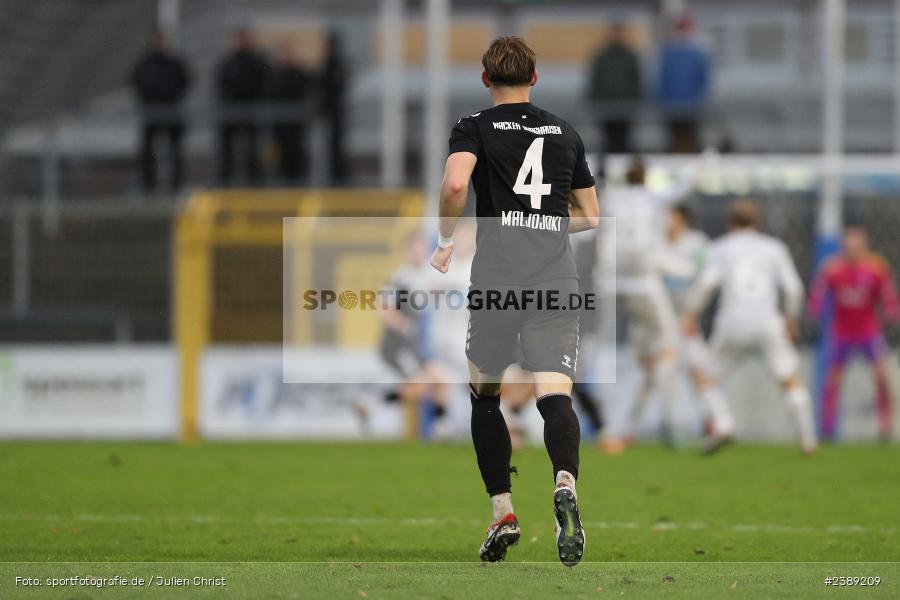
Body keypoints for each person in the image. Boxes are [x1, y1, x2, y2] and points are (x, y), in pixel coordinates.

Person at [429, 37, 599, 567]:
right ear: (536, 78)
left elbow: (457, 183)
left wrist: (445, 239)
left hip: (499, 280)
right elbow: (591, 216)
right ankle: (564, 483)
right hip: (555, 279)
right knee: (555, 398)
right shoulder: (565, 131)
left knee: (485, 395)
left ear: (485, 79)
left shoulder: (475, 124)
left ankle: (503, 510)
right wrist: (544, 225)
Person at [683, 201, 817, 454]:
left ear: (730, 223)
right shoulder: (773, 248)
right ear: (757, 223)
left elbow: (706, 284)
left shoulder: (721, 248)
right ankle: (808, 439)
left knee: (704, 377)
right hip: (767, 322)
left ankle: (723, 423)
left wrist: (690, 315)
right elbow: (794, 289)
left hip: (732, 322)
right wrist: (790, 319)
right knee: (789, 380)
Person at [599, 157, 696, 451]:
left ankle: (621, 428)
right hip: (645, 285)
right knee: (670, 348)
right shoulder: (653, 199)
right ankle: (670, 423)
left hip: (614, 284)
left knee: (640, 362)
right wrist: (709, 156)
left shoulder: (612, 197)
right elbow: (684, 185)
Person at [808, 227, 898, 442]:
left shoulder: (876, 268)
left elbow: (889, 295)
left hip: (868, 331)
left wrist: (891, 312)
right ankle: (827, 429)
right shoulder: (833, 268)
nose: (853, 251)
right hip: (842, 332)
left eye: (857, 247)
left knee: (881, 377)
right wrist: (815, 309)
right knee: (832, 380)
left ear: (864, 247)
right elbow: (818, 293)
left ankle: (886, 426)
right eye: (849, 247)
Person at [661, 203, 735, 452]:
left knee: (696, 369)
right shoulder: (656, 241)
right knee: (663, 372)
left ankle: (718, 421)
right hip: (660, 319)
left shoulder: (698, 243)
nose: (665, 220)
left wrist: (692, 314)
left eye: (669, 215)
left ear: (681, 218)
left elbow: (704, 278)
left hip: (684, 320)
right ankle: (705, 422)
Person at [378, 231, 452, 439]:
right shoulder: (401, 277)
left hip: (420, 345)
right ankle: (373, 404)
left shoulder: (428, 274)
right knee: (422, 384)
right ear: (407, 252)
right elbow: (384, 307)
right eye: (415, 249)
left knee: (441, 379)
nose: (420, 253)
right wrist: (403, 326)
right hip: (402, 346)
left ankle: (441, 425)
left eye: (422, 248)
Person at [130, 30, 192, 193]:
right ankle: (149, 186)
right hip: (151, 113)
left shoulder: (174, 63)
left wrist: (171, 95)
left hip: (171, 113)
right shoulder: (145, 63)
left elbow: (186, 81)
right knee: (148, 151)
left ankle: (175, 185)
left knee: (175, 151)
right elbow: (135, 82)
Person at [215, 28, 269, 185]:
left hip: (251, 111)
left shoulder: (257, 62)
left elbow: (263, 84)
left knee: (253, 149)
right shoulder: (228, 62)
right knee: (227, 150)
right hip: (231, 112)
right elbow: (222, 84)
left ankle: (255, 184)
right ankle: (224, 183)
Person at [586, 23, 642, 154]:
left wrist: (636, 100)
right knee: (607, 140)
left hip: (625, 106)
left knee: (624, 140)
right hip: (605, 106)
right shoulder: (601, 56)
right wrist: (594, 100)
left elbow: (636, 80)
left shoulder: (630, 56)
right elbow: (596, 79)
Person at [657, 15, 710, 153]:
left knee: (689, 138)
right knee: (675, 139)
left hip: (691, 107)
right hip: (672, 107)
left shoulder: (696, 54)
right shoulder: (669, 53)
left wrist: (700, 100)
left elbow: (702, 80)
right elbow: (663, 80)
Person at [269, 43, 311, 184]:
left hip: (296, 124)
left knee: (296, 154)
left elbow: (306, 88)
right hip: (279, 124)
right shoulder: (274, 75)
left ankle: (298, 181)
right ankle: (279, 180)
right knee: (279, 155)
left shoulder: (298, 73)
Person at [320, 31, 349, 184]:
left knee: (335, 147)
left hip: (335, 111)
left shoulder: (334, 63)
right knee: (334, 146)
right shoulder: (335, 63)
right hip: (335, 111)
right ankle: (337, 176)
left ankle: (337, 178)